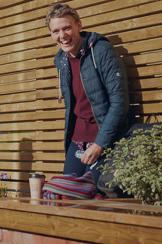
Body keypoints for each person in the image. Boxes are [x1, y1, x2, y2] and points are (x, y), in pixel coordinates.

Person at [46, 3, 130, 187]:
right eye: (56, 31)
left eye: (67, 28)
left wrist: (99, 144)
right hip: (76, 141)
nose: (62, 36)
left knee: (93, 196)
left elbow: (119, 102)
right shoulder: (61, 60)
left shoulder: (100, 51)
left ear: (79, 25)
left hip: (104, 139)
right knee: (66, 195)